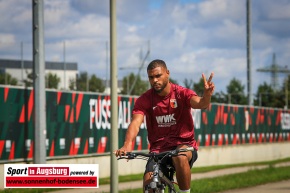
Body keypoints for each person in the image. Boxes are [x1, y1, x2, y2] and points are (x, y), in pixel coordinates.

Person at [115, 59, 215, 193]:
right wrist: (127, 144)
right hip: (158, 151)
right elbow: (135, 123)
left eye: (158, 76)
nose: (154, 80)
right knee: (149, 185)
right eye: (151, 77)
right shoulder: (145, 99)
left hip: (183, 146)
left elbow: (201, 103)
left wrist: (207, 96)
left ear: (167, 73)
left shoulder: (181, 93)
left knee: (179, 157)